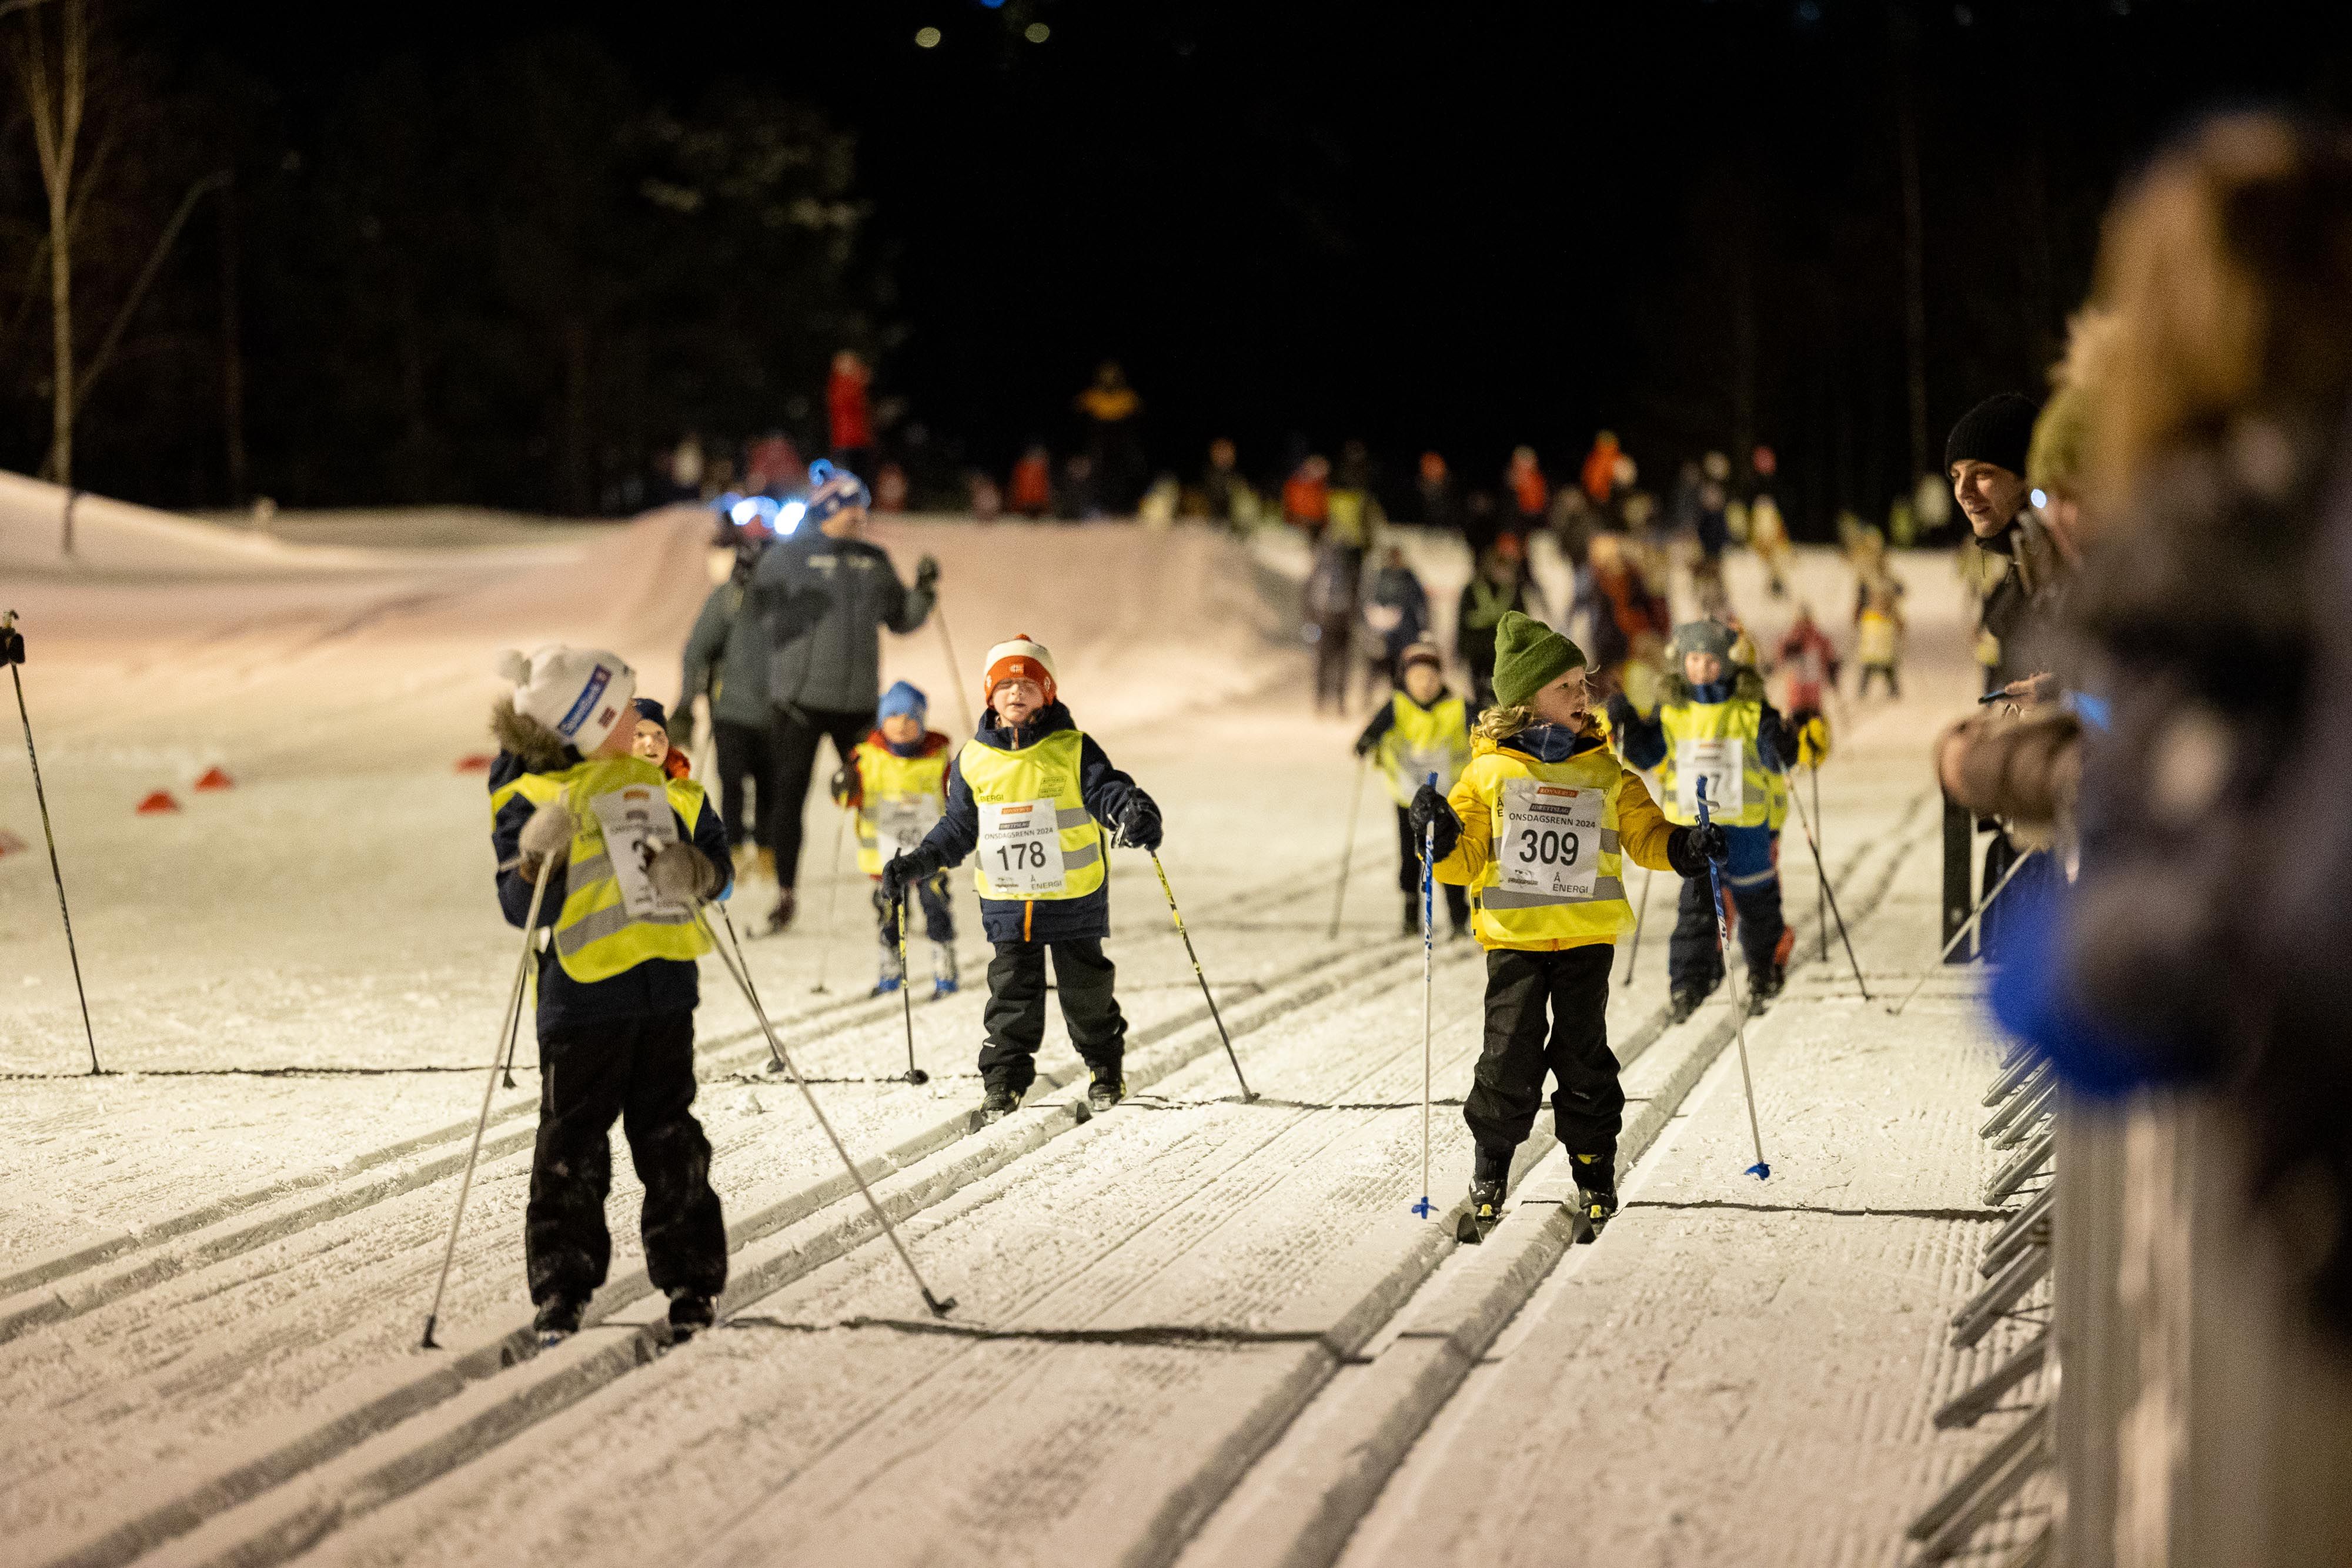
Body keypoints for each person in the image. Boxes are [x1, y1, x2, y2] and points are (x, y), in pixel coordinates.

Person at [1408, 612, 1727, 1240]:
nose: (1584, 697)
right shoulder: (1489, 773)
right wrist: (1439, 834)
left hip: (1585, 941)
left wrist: (1687, 850)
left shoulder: (1603, 770)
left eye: (1584, 684)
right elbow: (1463, 860)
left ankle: (1594, 1170)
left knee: (1583, 1060)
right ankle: (1490, 1168)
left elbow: (1645, 835)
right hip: (1516, 947)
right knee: (1508, 1059)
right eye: (1566, 688)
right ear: (1526, 700)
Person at [485, 646, 733, 1343]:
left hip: (663, 986)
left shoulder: (647, 779)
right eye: (624, 711)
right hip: (584, 996)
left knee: (671, 1139)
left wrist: (698, 872)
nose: (640, 721)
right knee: (572, 1146)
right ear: (587, 722)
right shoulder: (531, 790)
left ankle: (691, 1281)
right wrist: (536, 858)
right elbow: (516, 904)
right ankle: (562, 1288)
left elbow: (703, 864)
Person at [880, 635, 1160, 1122]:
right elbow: (959, 828)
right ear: (989, 696)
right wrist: (917, 862)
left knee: (1086, 991)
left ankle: (1105, 1069)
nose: (1016, 693)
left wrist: (1133, 812)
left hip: (1072, 899)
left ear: (1047, 694)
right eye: (1005, 684)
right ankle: (1004, 1082)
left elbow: (1109, 791)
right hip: (1009, 903)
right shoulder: (972, 759)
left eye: (1028, 684)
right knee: (1011, 995)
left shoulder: (1073, 748)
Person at [750, 460, 939, 931]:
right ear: (827, 510)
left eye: (862, 508)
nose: (859, 516)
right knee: (789, 798)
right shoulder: (789, 556)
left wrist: (925, 592)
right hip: (798, 703)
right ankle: (786, 893)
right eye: (849, 508)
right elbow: (755, 610)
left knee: (882, 797)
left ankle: (893, 889)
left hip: (857, 703)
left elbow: (901, 618)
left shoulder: (874, 561)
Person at [1606, 618, 1799, 1019]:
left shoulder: (1749, 708)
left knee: (1758, 905)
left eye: (1710, 661)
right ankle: (1688, 981)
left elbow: (1773, 754)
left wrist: (1782, 742)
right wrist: (1627, 725)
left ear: (1727, 664)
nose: (1701, 669)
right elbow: (1647, 755)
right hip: (1693, 830)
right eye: (1693, 659)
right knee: (1696, 908)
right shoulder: (1673, 710)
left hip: (1745, 826)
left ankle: (1764, 969)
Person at [831, 681, 958, 998]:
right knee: (890, 913)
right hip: (887, 855)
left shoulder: (938, 758)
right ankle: (890, 970)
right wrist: (842, 787)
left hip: (930, 854)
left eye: (910, 718)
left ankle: (944, 967)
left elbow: (955, 794)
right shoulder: (866, 757)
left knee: (936, 906)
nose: (901, 725)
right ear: (881, 720)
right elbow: (848, 797)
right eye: (893, 716)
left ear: (922, 722)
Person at [1356, 641, 1471, 938]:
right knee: (1410, 856)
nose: (1425, 684)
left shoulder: (1458, 707)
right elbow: (1374, 730)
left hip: (1447, 796)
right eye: (1418, 677)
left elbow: (1481, 725)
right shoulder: (1397, 706)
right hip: (1408, 795)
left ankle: (1459, 916)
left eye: (1431, 677)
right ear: (1405, 678)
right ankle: (1410, 915)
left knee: (1448, 853)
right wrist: (1365, 743)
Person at [679, 533, 775, 873]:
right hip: (732, 708)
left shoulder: (786, 603)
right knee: (733, 782)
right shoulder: (727, 599)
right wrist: (687, 699)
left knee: (769, 784)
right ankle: (733, 849)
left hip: (777, 711)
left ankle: (766, 851)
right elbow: (697, 650)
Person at [1456, 534, 1546, 708]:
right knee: (1480, 698)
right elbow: (1463, 622)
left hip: (1505, 654)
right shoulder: (1473, 589)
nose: (1503, 572)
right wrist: (1462, 648)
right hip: (1479, 653)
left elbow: (1523, 621)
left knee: (1506, 698)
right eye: (1499, 566)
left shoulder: (1513, 591)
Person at [1075, 361, 1145, 514]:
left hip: (1122, 448)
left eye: (1113, 376)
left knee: (1132, 468)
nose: (1109, 380)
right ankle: (1095, 506)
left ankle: (1128, 506)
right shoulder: (1092, 397)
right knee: (1094, 472)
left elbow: (1138, 419)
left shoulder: (1127, 397)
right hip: (1099, 448)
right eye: (1106, 376)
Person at [1359, 545, 1432, 690]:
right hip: (1385, 631)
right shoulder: (1382, 575)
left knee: (1405, 667)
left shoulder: (1409, 577)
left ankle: (1403, 692)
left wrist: (1424, 628)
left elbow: (1422, 603)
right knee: (1381, 667)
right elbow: (1373, 599)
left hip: (1407, 631)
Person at [827, 352, 875, 477]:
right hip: (846, 443)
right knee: (851, 480)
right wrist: (860, 378)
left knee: (862, 477)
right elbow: (848, 401)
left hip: (859, 441)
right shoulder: (841, 385)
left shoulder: (852, 385)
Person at [630, 697, 692, 781]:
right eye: (640, 734)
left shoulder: (686, 789)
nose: (651, 742)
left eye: (658, 734)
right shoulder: (612, 787)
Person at [1009, 444, 1053, 517]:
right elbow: (1015, 489)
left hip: (1039, 508)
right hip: (1023, 507)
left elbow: (1046, 490)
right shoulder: (1023, 469)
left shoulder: (1042, 470)